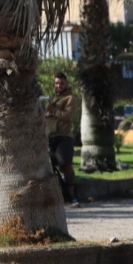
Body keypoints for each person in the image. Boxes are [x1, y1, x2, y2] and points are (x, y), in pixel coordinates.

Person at [46, 72, 79, 207]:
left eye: (61, 83)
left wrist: (53, 111)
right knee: (50, 168)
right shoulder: (53, 98)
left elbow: (68, 116)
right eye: (57, 83)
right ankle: (62, 194)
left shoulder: (70, 98)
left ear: (66, 83)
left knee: (65, 165)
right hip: (50, 137)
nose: (59, 85)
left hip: (64, 137)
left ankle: (72, 196)